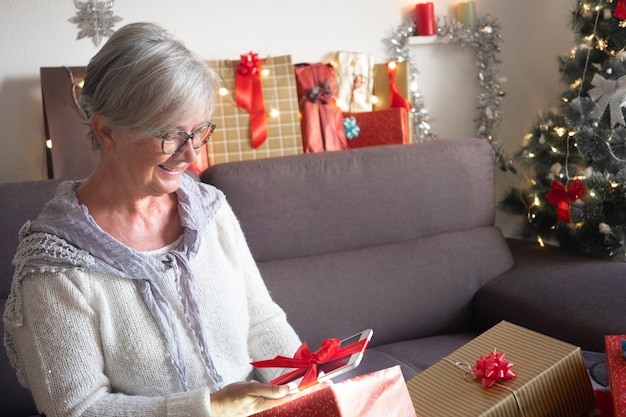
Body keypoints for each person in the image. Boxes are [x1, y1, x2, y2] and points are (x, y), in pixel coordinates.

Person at [4, 22, 302, 417]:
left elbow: (262, 324)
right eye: (172, 136)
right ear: (106, 132)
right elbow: (76, 409)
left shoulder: (209, 211)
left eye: (199, 132)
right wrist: (211, 407)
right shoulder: (54, 264)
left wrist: (308, 388)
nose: (191, 155)